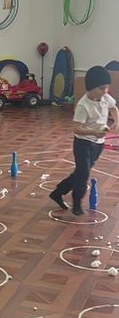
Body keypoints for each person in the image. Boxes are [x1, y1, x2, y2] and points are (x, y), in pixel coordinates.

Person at [50, 66, 119, 215]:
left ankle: (57, 193)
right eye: (101, 88)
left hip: (98, 144)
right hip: (83, 144)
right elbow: (76, 128)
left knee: (80, 173)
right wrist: (94, 132)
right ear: (91, 87)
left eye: (107, 87)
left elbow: (114, 108)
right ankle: (77, 203)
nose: (105, 91)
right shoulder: (83, 105)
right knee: (83, 174)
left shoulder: (106, 98)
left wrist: (117, 122)